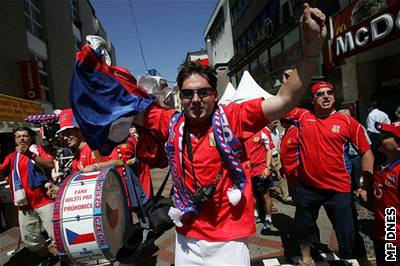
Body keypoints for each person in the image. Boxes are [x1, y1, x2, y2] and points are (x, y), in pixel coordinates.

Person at [70, 4, 326, 265]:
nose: (196, 99)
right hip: (187, 237)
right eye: (188, 93)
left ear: (214, 94)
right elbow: (122, 103)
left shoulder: (233, 117)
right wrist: (91, 70)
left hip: (229, 238)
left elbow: (285, 99)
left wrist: (312, 44)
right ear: (180, 97)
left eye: (203, 92)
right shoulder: (168, 121)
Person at [285, 81, 374, 266]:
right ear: (312, 99)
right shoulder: (302, 116)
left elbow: (367, 152)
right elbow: (283, 104)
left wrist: (366, 185)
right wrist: (291, 83)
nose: (326, 96)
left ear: (334, 96)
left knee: (348, 230)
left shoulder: (348, 122)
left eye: (329, 93)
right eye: (320, 93)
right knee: (304, 226)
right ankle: (306, 258)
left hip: (338, 188)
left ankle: (362, 260)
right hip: (308, 187)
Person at [0, 127, 58, 265]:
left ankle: (64, 258)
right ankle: (47, 256)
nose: (21, 138)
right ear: (15, 140)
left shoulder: (37, 150)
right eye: (18, 136)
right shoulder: (12, 157)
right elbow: (2, 171)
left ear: (31, 138)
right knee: (30, 239)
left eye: (25, 136)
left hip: (45, 200)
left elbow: (50, 164)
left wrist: (31, 155)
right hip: (25, 204)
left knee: (56, 235)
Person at [369, 122, 400, 266]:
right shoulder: (382, 165)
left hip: (394, 236)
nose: (381, 138)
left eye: (388, 136)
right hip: (380, 231)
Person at [246, 127, 275, 235]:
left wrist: (267, 167)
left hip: (260, 169)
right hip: (248, 170)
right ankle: (256, 214)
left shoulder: (264, 131)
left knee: (265, 195)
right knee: (252, 195)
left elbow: (269, 149)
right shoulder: (241, 131)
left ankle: (268, 219)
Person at [267, 120, 292, 203]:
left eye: (276, 122)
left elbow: (278, 144)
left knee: (281, 176)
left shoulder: (276, 130)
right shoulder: (264, 131)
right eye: (273, 121)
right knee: (266, 178)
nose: (276, 123)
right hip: (267, 158)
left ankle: (286, 196)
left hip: (276, 156)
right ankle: (265, 201)